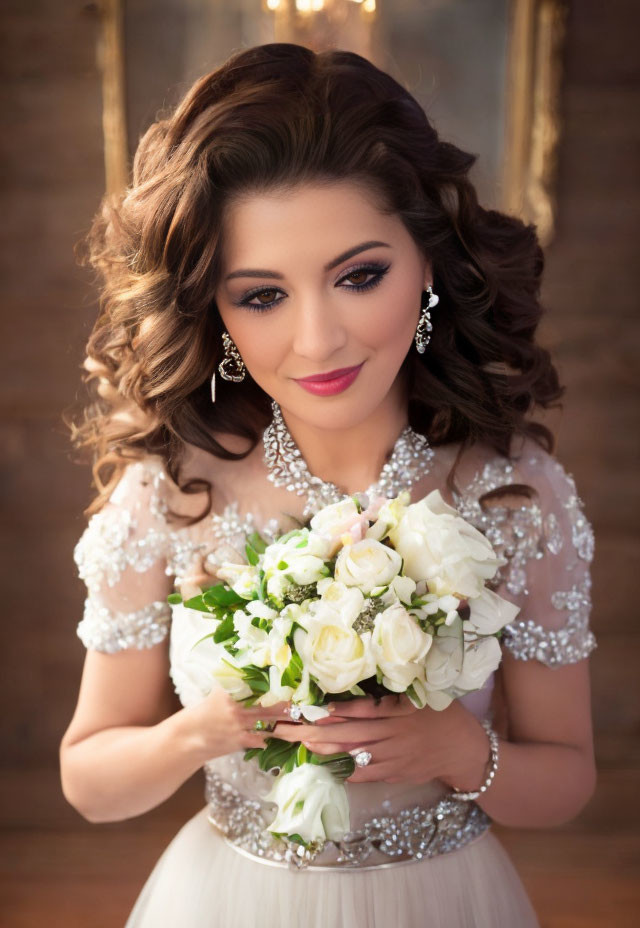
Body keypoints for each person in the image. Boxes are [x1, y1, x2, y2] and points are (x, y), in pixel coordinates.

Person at [59, 43, 597, 927]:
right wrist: (209, 729)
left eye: (359, 276)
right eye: (262, 296)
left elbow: (567, 780)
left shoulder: (516, 498)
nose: (318, 341)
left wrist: (461, 751)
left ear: (427, 263)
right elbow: (91, 783)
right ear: (216, 312)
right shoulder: (171, 492)